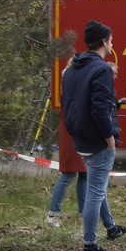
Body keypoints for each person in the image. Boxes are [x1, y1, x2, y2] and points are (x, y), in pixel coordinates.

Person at [61, 20, 126, 251]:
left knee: (96, 186)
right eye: (110, 39)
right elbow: (99, 109)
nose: (113, 43)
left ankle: (111, 228)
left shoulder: (73, 68)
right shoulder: (100, 69)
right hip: (97, 140)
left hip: (81, 137)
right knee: (94, 192)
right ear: (103, 42)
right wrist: (109, 137)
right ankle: (90, 247)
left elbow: (69, 103)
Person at [47, 58, 86, 226]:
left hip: (78, 132)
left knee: (85, 173)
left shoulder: (71, 85)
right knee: (69, 173)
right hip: (73, 133)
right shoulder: (71, 88)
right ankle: (52, 213)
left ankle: (84, 212)